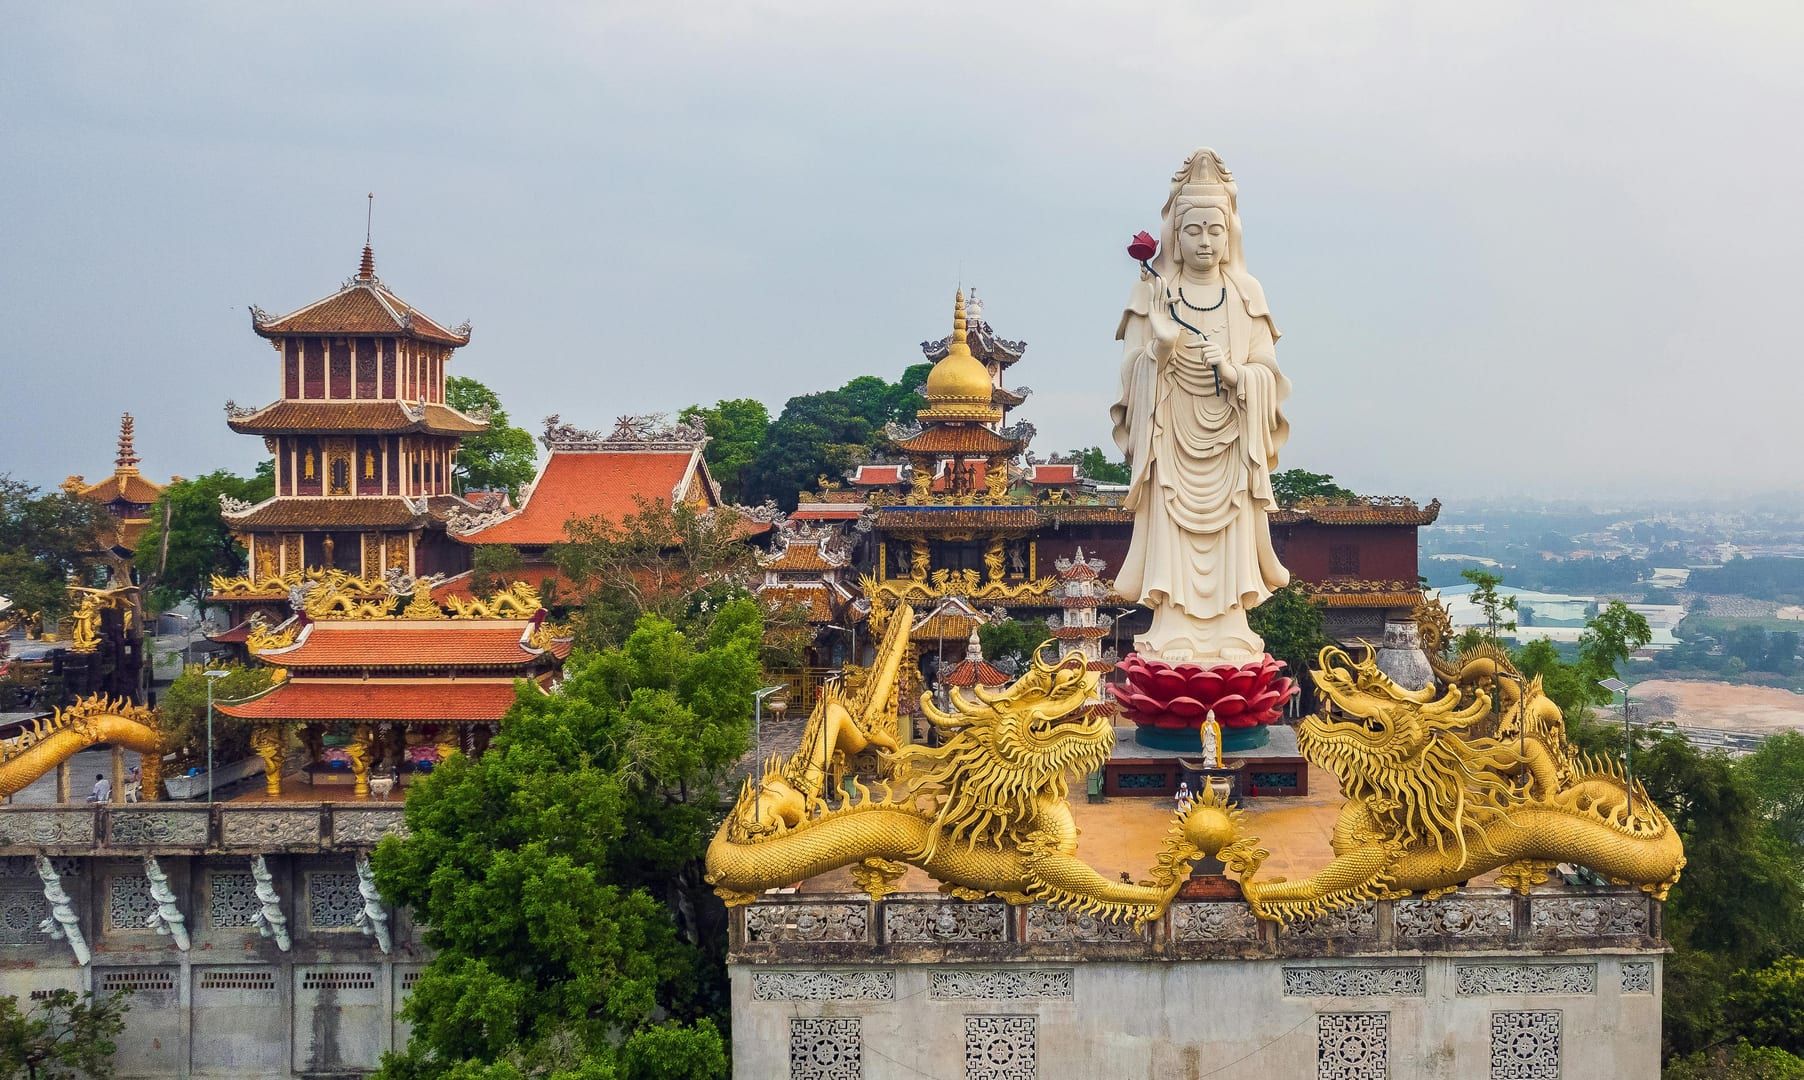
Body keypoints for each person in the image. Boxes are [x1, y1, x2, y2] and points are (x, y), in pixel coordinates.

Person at [1111, 148, 1291, 665]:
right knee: (1174, 528)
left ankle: (1232, 624)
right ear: (1174, 237)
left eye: (1215, 230)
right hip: (1171, 435)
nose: (1205, 242)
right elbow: (1131, 376)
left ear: (1230, 233)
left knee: (1230, 533)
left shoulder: (1246, 293)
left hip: (1232, 438)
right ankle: (1173, 626)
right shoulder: (1153, 291)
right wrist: (1161, 349)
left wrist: (1239, 376)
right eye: (1193, 231)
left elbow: (1268, 372)